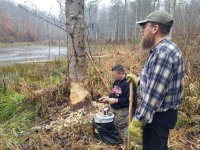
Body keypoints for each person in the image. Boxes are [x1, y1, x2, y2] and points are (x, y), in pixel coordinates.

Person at [128, 10, 184, 150]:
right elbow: (160, 84)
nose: (142, 30)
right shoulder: (166, 49)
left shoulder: (163, 53)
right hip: (160, 116)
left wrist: (139, 120)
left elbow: (154, 94)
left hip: (156, 117)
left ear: (155, 28)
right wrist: (140, 81)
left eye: (144, 26)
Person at [99, 64, 137, 141]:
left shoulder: (129, 83)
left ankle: (123, 139)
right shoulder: (117, 81)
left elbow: (129, 100)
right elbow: (114, 93)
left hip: (124, 108)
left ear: (121, 73)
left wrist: (116, 100)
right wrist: (108, 97)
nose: (113, 77)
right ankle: (111, 133)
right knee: (104, 114)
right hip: (114, 106)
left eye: (114, 75)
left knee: (120, 126)